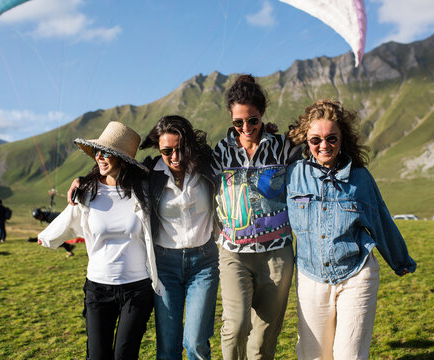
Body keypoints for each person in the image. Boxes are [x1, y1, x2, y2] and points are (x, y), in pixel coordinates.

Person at [285, 100, 417, 360]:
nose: (324, 146)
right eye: (315, 140)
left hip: (356, 274)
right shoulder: (292, 175)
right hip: (311, 276)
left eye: (331, 138)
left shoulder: (360, 177)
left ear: (342, 139)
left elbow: (380, 219)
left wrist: (399, 260)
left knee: (350, 356)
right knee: (313, 355)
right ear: (306, 141)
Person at [38, 121, 165, 359]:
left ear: (122, 158)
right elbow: (68, 217)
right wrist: (47, 237)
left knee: (124, 356)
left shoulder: (143, 192)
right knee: (97, 356)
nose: (100, 157)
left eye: (106, 152)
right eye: (97, 152)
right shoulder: (87, 192)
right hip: (98, 288)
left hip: (137, 289)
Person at [211, 74, 297, 359]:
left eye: (253, 120)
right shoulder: (220, 153)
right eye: (238, 122)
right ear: (231, 120)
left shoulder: (283, 147)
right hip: (233, 253)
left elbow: (320, 151)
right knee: (235, 328)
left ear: (262, 115)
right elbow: (175, 164)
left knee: (263, 338)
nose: (246, 127)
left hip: (277, 254)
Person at [139, 115, 219, 360]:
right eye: (167, 151)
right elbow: (113, 172)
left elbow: (242, 151)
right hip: (165, 267)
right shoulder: (150, 172)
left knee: (195, 344)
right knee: (167, 348)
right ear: (158, 149)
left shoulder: (208, 165)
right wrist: (84, 179)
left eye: (180, 149)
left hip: (204, 264)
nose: (175, 157)